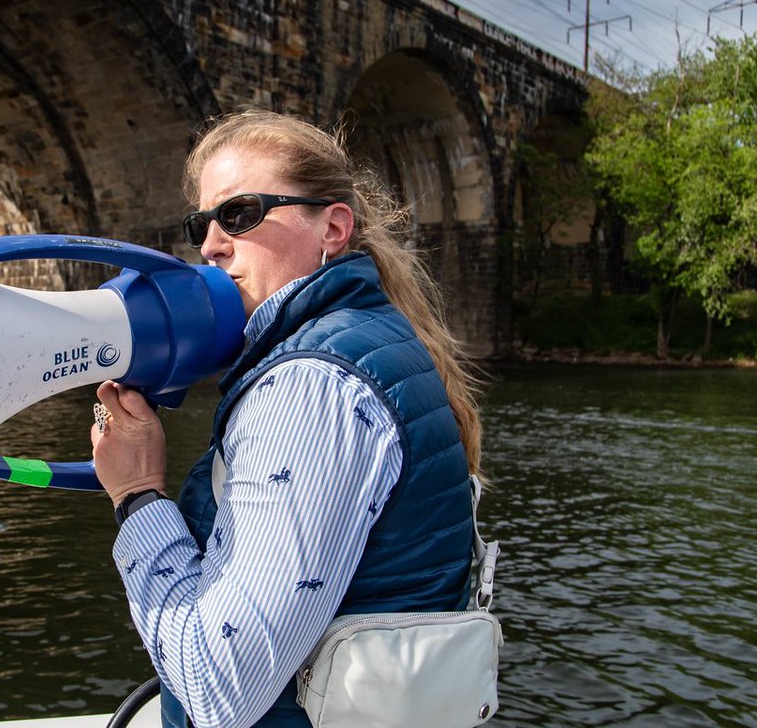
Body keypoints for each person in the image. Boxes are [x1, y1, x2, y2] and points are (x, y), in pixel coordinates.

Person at [90, 109, 484, 728]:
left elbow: (217, 689)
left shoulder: (311, 389)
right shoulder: (363, 341)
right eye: (203, 221)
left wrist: (138, 496)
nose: (210, 244)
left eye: (240, 214)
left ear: (332, 228)